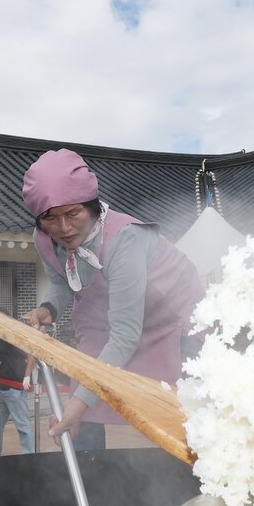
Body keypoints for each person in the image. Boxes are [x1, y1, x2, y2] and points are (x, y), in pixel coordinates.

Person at [21, 150, 203, 450]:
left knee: (181, 411)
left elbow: (124, 335)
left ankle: (193, 473)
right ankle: (96, 479)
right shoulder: (43, 238)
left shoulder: (124, 239)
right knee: (85, 396)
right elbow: (60, 280)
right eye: (50, 218)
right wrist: (47, 308)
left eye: (73, 213)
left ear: (92, 207)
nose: (64, 228)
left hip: (172, 318)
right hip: (102, 321)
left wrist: (79, 404)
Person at [0, 334, 35, 456]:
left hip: (16, 388)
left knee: (23, 426)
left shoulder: (15, 334)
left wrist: (27, 375)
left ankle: (28, 457)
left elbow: (31, 353)